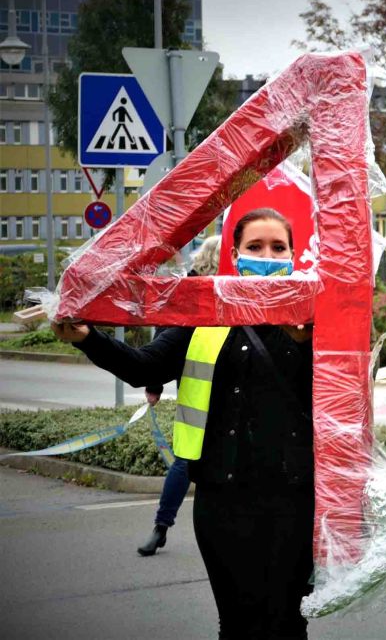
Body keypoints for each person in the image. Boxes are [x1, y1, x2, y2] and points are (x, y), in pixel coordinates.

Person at [53, 208, 315, 639]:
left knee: (284, 620)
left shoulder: (312, 319)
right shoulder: (204, 314)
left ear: (293, 254)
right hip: (221, 500)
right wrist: (88, 339)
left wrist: (307, 344)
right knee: (235, 621)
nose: (267, 256)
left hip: (292, 501)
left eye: (277, 247)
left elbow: (350, 386)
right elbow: (144, 366)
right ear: (234, 255)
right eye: (255, 247)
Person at [138, 234, 222, 557]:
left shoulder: (224, 289)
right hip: (198, 389)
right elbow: (165, 341)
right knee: (186, 460)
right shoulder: (190, 293)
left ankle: (162, 527)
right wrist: (155, 383)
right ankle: (161, 526)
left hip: (214, 386)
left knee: (190, 461)